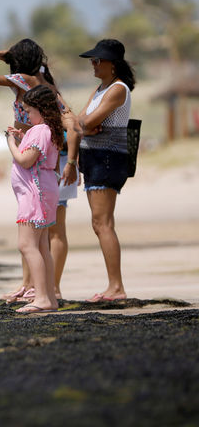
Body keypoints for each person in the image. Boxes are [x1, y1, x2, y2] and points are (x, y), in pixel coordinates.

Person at [0, 39, 81, 302]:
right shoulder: (46, 82)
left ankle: (48, 289)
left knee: (45, 230)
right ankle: (33, 285)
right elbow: (70, 121)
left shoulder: (24, 80)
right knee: (39, 229)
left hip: (41, 158)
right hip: (44, 156)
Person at [76, 39, 135, 302]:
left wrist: (85, 126)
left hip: (107, 157)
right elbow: (78, 122)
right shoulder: (100, 88)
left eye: (98, 60)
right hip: (93, 156)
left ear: (113, 64)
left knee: (103, 223)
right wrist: (86, 127)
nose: (93, 64)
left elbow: (85, 121)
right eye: (92, 60)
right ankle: (114, 285)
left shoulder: (117, 89)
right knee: (99, 223)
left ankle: (116, 287)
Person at [5, 85, 64, 314]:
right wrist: (23, 136)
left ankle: (41, 297)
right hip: (44, 190)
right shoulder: (47, 129)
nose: (27, 116)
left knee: (26, 244)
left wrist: (10, 142)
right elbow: (37, 152)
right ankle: (48, 296)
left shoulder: (40, 130)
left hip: (35, 192)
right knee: (41, 245)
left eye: (29, 111)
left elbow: (26, 160)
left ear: (41, 109)